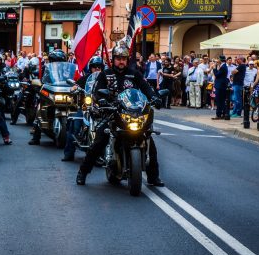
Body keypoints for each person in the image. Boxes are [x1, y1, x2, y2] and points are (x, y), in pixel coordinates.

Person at [76, 44, 164, 187]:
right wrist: (101, 99)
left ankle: (153, 177)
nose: (121, 61)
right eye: (118, 58)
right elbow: (97, 91)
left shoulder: (134, 74)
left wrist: (154, 97)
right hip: (112, 113)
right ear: (113, 59)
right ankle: (83, 172)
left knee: (149, 141)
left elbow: (146, 87)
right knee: (98, 142)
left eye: (124, 58)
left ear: (127, 60)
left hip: (132, 113)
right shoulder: (106, 74)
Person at [62, 56, 104, 162]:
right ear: (91, 68)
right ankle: (68, 153)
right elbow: (76, 85)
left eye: (99, 67)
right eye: (94, 67)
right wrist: (74, 88)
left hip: (101, 108)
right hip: (86, 107)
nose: (97, 69)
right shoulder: (86, 78)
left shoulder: (105, 79)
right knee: (74, 125)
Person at [28, 49, 67, 145]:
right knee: (39, 107)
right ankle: (36, 137)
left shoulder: (66, 70)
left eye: (59, 61)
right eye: (55, 60)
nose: (57, 63)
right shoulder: (47, 69)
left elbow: (71, 79)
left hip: (62, 92)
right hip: (50, 91)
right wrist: (41, 85)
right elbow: (43, 80)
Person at [212, 55, 229, 120]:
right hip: (221, 85)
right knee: (221, 101)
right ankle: (223, 114)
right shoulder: (222, 66)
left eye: (218, 59)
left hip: (220, 86)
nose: (217, 60)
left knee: (219, 100)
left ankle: (218, 115)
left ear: (220, 60)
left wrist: (214, 68)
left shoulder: (223, 67)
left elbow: (217, 75)